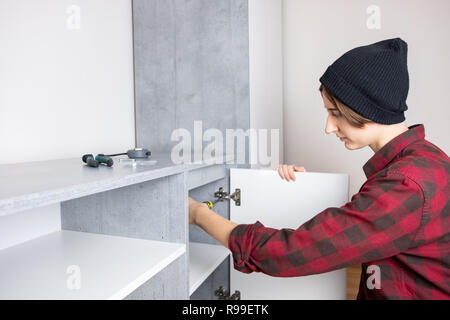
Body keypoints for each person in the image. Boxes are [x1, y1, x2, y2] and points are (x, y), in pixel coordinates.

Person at [188, 38, 450, 300]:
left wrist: (198, 214)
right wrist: (304, 191)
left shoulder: (405, 186)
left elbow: (286, 255)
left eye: (335, 113)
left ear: (366, 109)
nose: (329, 127)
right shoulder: (425, 162)